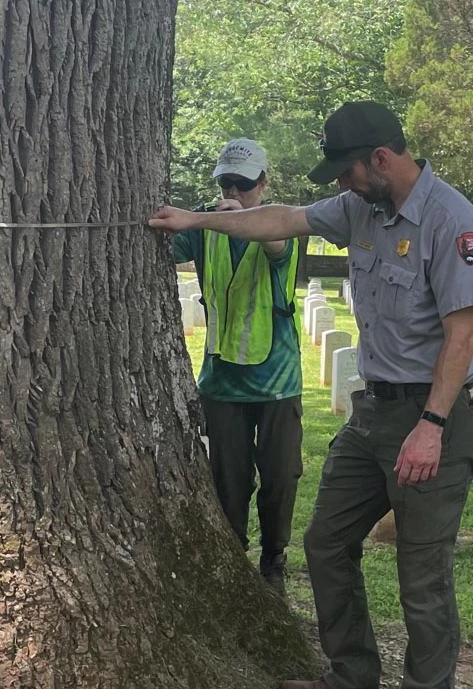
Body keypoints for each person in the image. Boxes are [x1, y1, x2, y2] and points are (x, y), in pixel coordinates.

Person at [150, 101, 473, 689]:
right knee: (326, 543)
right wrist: (196, 222)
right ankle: (352, 676)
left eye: (346, 171)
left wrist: (432, 424)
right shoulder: (360, 208)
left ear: (379, 158)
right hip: (371, 409)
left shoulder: (450, 219)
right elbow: (279, 220)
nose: (342, 185)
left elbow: (464, 334)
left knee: (421, 573)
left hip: (430, 416)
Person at [172, 138, 302, 596]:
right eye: (226, 182)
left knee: (281, 478)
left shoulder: (277, 223)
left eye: (244, 185)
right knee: (229, 480)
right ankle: (234, 561)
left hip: (276, 380)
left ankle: (274, 562)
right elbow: (165, 246)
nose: (234, 191)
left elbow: (275, 243)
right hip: (222, 379)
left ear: (263, 184)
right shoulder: (203, 227)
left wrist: (224, 218)